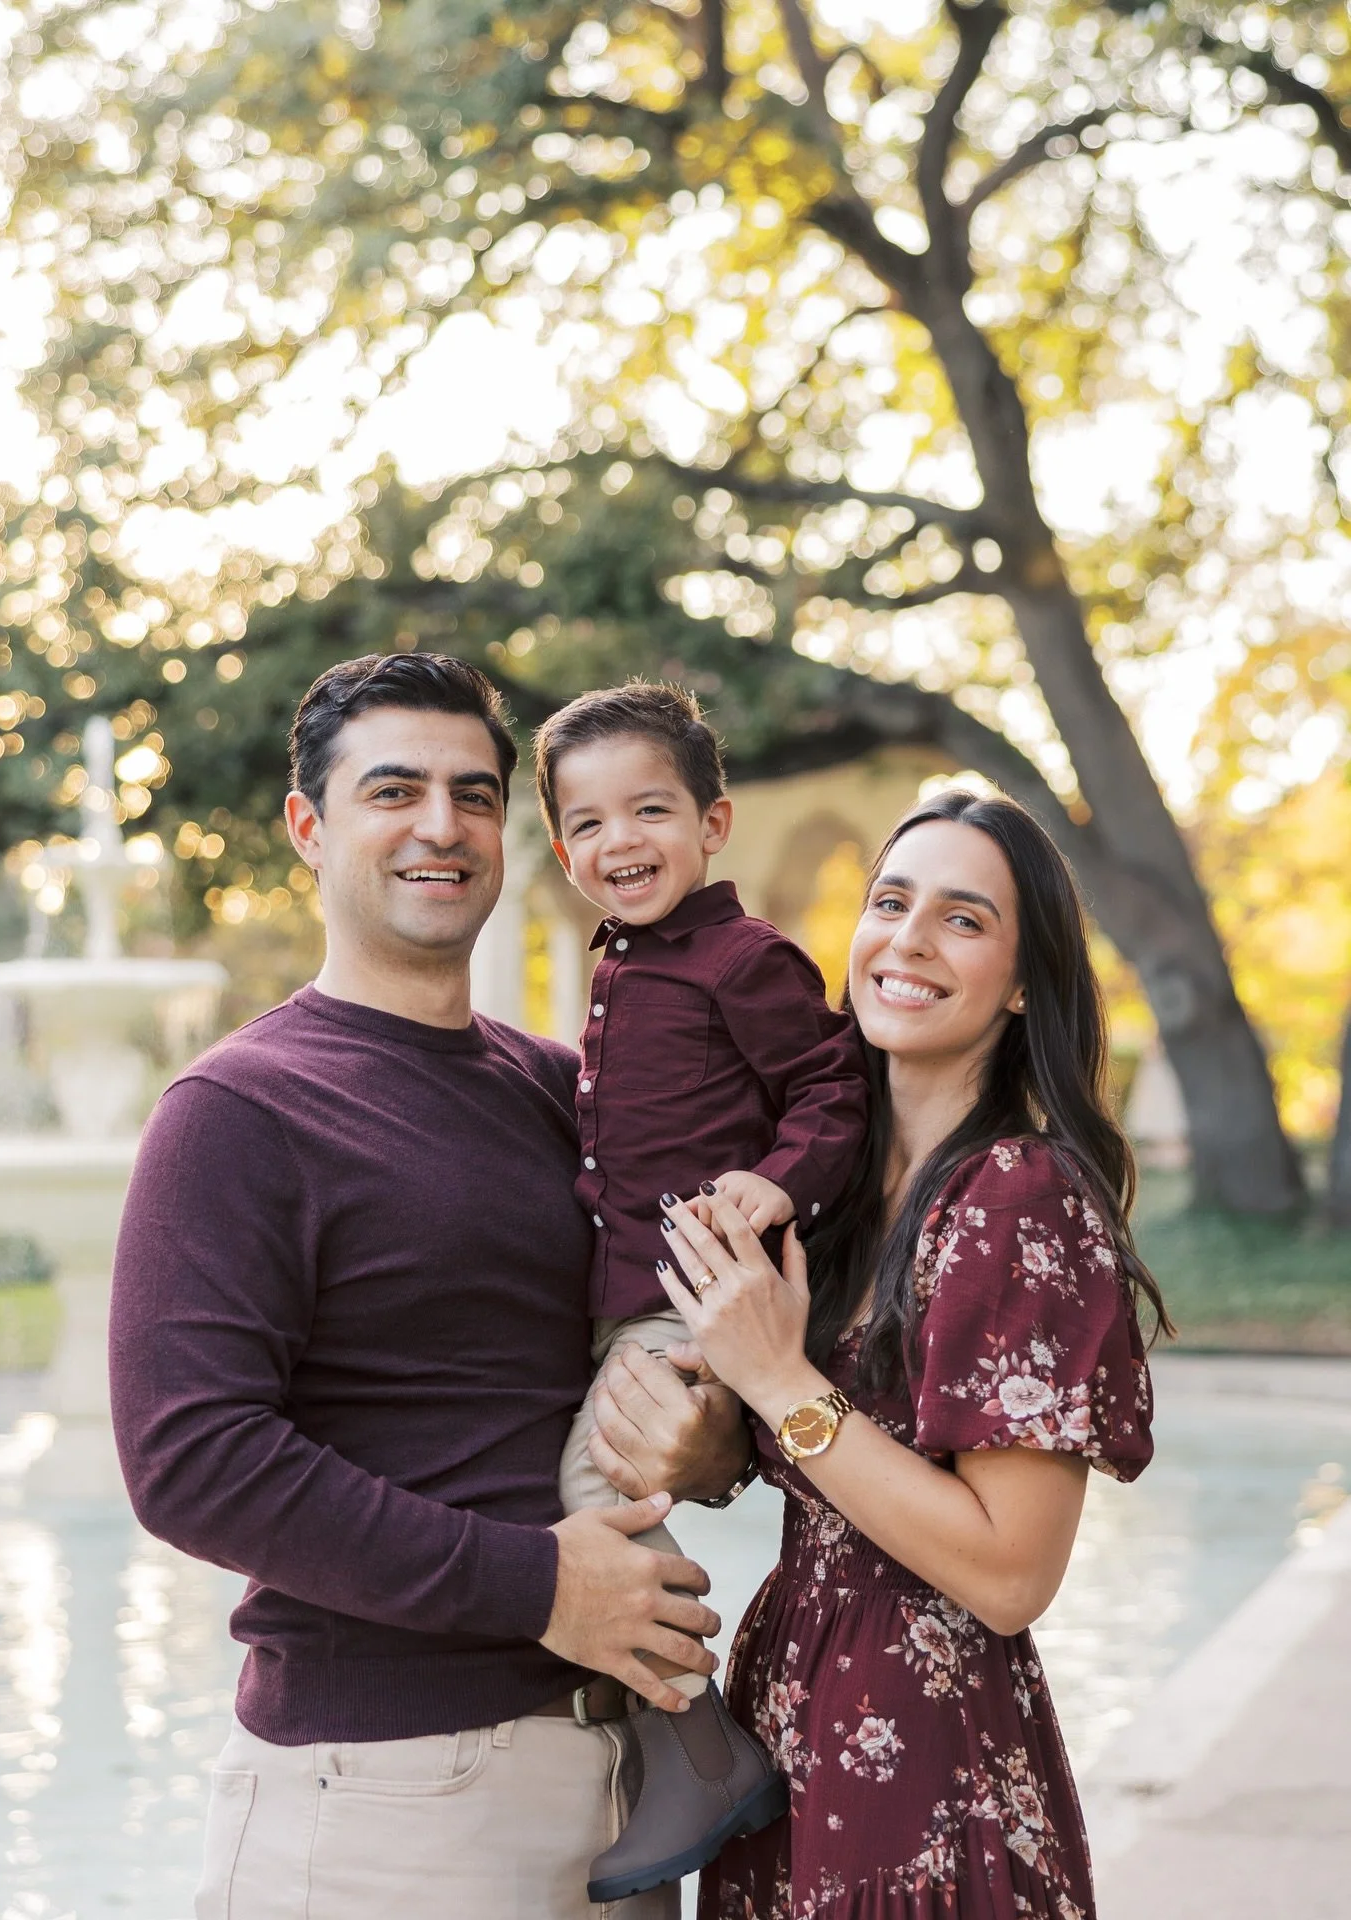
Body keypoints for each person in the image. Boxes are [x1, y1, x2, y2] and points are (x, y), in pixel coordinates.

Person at [107, 652, 752, 1920]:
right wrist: (540, 1585)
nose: (440, 827)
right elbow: (191, 1458)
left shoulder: (565, 1090)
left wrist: (712, 1439)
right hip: (383, 1805)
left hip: (624, 1782)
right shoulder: (238, 1111)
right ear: (309, 826)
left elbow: (650, 1349)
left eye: (473, 793)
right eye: (392, 790)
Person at [655, 787, 1172, 1920]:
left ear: (1027, 980)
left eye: (964, 919)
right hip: (787, 1717)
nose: (909, 939)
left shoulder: (1018, 1198)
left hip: (928, 1760)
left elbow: (1008, 1575)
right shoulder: (826, 1196)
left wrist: (781, 1381)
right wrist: (703, 1428)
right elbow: (797, 1466)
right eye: (892, 901)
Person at [532, 682, 869, 1903]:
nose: (620, 842)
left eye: (651, 810)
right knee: (586, 1484)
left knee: (590, 1491)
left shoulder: (743, 956)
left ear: (713, 822)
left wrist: (775, 1186)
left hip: (701, 1288)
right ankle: (667, 1744)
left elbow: (837, 1090)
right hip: (636, 1298)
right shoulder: (626, 963)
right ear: (563, 845)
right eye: (588, 824)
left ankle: (700, 1748)